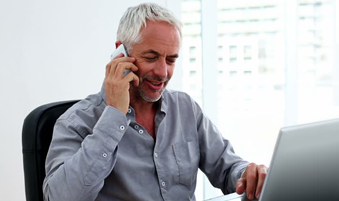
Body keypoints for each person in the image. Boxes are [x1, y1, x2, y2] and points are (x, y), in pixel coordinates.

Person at [43, 3, 267, 201]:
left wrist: (247, 174)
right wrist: (113, 115)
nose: (163, 72)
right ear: (120, 53)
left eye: (171, 60)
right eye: (151, 58)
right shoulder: (76, 121)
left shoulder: (185, 109)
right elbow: (61, 197)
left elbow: (228, 169)